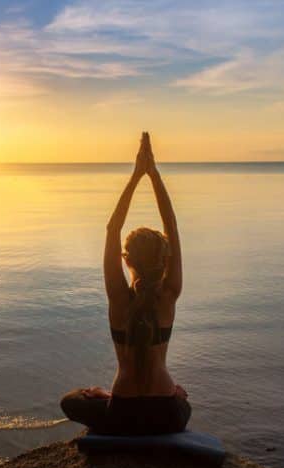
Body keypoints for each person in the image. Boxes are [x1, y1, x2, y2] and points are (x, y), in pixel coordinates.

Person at [60, 132, 191, 435]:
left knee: (72, 400)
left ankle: (106, 396)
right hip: (167, 415)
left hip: (122, 413)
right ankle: (172, 396)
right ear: (165, 260)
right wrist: (153, 174)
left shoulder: (118, 298)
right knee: (184, 401)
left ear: (126, 260)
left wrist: (135, 177)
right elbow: (172, 224)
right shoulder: (169, 295)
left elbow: (112, 227)